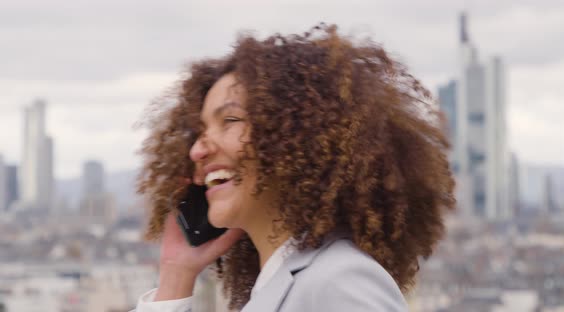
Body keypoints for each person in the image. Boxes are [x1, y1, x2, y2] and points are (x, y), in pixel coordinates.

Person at [134, 24, 455, 312]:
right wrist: (176, 274)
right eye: (201, 131)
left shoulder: (339, 281)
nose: (197, 150)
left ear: (298, 136)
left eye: (230, 120)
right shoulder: (285, 286)